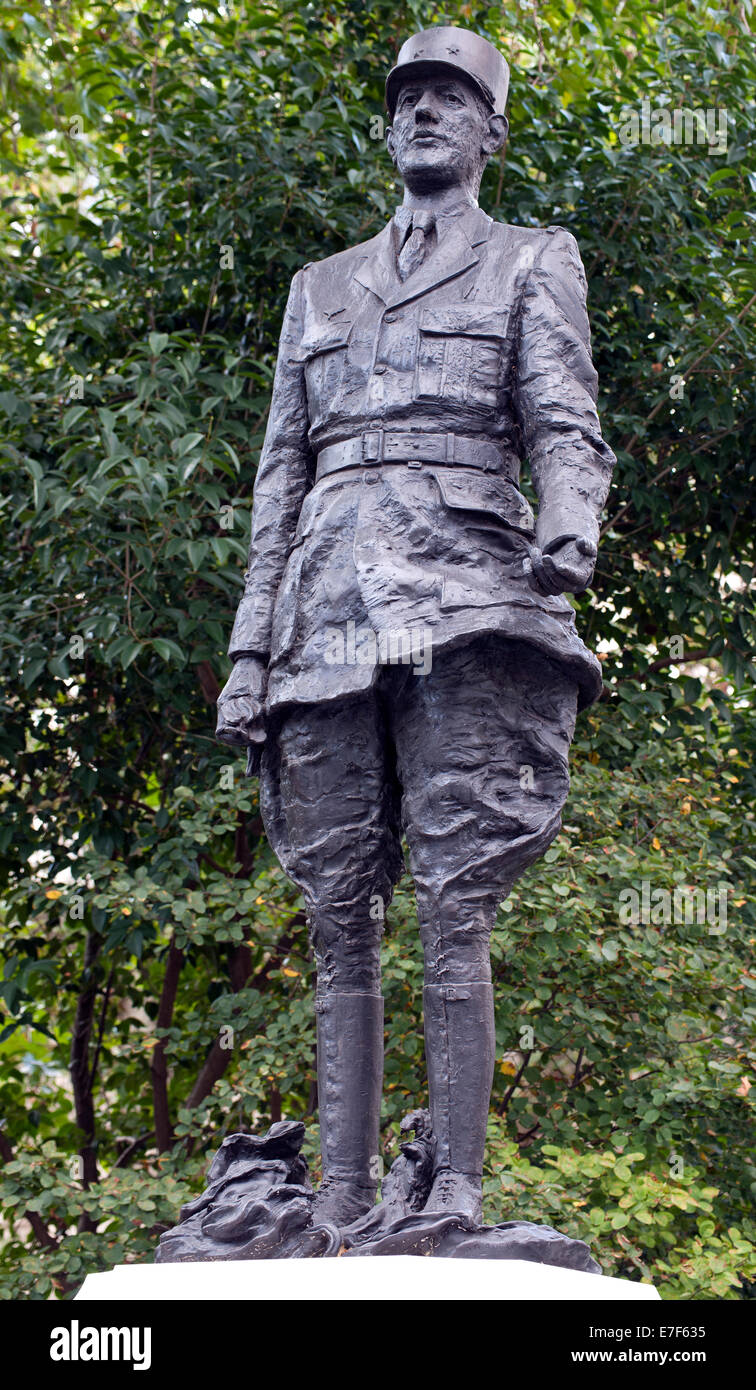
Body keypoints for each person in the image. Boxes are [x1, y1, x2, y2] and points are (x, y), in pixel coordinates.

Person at [216, 25, 615, 1227]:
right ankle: (338, 1201)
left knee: (455, 893)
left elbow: (563, 419)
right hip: (326, 605)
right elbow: (280, 474)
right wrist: (249, 648)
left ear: (491, 131)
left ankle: (454, 1188)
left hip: (469, 594)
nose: (425, 113)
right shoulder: (319, 288)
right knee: (338, 902)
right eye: (409, 99)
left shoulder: (534, 259)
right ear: (389, 127)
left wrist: (571, 525)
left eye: (453, 98)